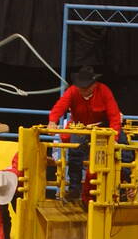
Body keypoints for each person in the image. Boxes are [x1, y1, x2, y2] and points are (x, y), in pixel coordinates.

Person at [47, 66, 123, 200]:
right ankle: (74, 189)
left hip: (102, 128)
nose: (83, 90)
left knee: (124, 151)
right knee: (75, 154)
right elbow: (60, 106)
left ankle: (123, 186)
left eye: (86, 87)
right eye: (81, 87)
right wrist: (52, 120)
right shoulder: (72, 92)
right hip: (80, 127)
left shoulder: (104, 91)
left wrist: (115, 136)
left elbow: (114, 115)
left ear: (94, 85)